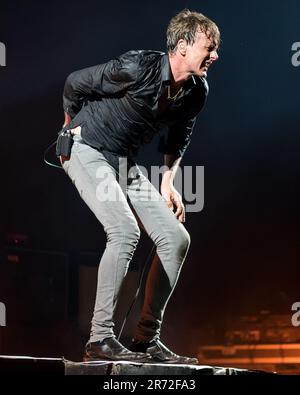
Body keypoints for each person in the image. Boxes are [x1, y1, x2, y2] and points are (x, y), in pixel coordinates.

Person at [59, 9, 220, 364]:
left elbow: (179, 138)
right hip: (86, 149)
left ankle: (145, 339)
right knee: (124, 230)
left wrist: (169, 184)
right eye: (209, 48)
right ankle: (99, 338)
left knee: (176, 237)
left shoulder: (196, 91)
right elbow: (75, 82)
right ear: (182, 45)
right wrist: (69, 126)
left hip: (122, 162)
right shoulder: (137, 67)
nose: (215, 55)